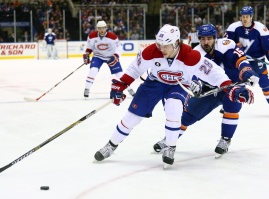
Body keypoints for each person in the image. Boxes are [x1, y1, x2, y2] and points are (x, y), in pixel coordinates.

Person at [93, 24, 254, 168]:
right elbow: (135, 68)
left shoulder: (190, 56)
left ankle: (170, 148)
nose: (161, 49)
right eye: (159, 44)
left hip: (178, 85)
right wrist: (121, 85)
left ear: (176, 43)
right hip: (153, 84)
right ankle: (111, 145)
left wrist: (230, 89)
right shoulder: (151, 51)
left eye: (165, 46)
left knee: (174, 110)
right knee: (132, 117)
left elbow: (215, 73)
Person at [153, 24, 258, 158]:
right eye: (203, 39)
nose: (206, 42)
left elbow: (240, 60)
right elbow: (192, 73)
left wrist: (246, 71)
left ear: (215, 38)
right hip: (210, 89)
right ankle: (169, 140)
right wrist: (196, 83)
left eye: (209, 38)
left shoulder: (227, 45)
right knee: (187, 116)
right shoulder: (196, 52)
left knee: (232, 106)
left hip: (232, 87)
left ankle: (225, 139)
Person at [225, 6, 269, 105]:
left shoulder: (261, 28)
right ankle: (229, 105)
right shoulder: (233, 27)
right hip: (241, 61)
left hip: (257, 61)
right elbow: (227, 44)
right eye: (243, 16)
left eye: (247, 17)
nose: (244, 19)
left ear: (251, 17)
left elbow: (267, 48)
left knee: (265, 83)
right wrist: (234, 47)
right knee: (236, 84)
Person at [83, 20, 134, 98]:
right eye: (99, 28)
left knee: (119, 74)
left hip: (111, 57)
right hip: (98, 56)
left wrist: (115, 56)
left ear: (106, 28)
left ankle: (130, 89)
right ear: (97, 29)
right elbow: (89, 48)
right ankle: (87, 88)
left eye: (103, 28)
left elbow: (119, 48)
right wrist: (87, 55)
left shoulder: (112, 37)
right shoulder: (92, 36)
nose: (101, 30)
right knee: (93, 70)